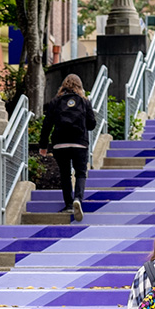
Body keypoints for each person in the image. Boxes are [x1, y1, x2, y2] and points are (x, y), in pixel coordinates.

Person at [40, 74, 96, 222]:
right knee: (80, 173)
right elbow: (92, 124)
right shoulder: (84, 102)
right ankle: (78, 198)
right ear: (80, 86)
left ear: (63, 85)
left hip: (60, 144)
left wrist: (43, 146)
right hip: (79, 143)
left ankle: (69, 204)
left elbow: (47, 125)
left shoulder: (56, 102)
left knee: (65, 174)